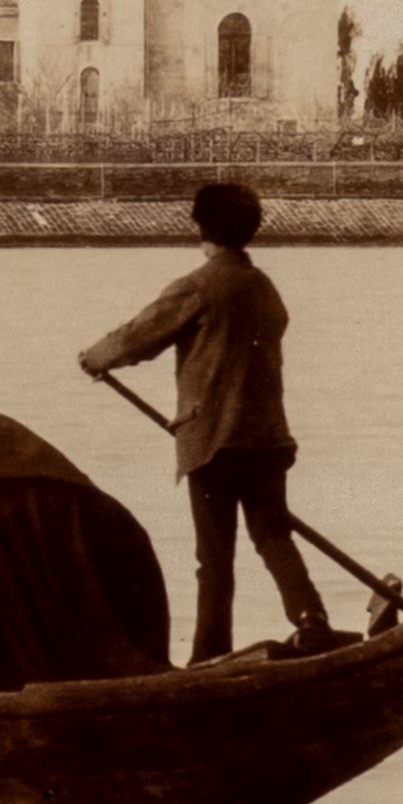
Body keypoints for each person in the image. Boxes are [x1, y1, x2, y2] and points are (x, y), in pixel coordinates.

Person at [78, 180, 343, 666]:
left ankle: (207, 657)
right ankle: (312, 621)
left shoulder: (197, 286)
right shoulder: (264, 287)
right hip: (266, 440)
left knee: (214, 559)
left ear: (203, 228)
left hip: (213, 443)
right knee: (273, 535)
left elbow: (139, 337)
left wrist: (96, 359)